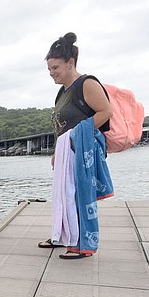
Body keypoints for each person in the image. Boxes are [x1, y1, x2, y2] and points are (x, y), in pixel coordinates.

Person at [40, 32, 114, 259]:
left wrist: (76, 136)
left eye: (55, 68)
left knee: (80, 195)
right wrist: (57, 151)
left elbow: (106, 112)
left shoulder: (87, 84)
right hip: (66, 152)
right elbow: (61, 126)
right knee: (64, 196)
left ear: (70, 63)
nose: (52, 73)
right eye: (50, 69)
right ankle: (65, 236)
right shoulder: (61, 93)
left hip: (82, 150)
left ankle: (84, 245)